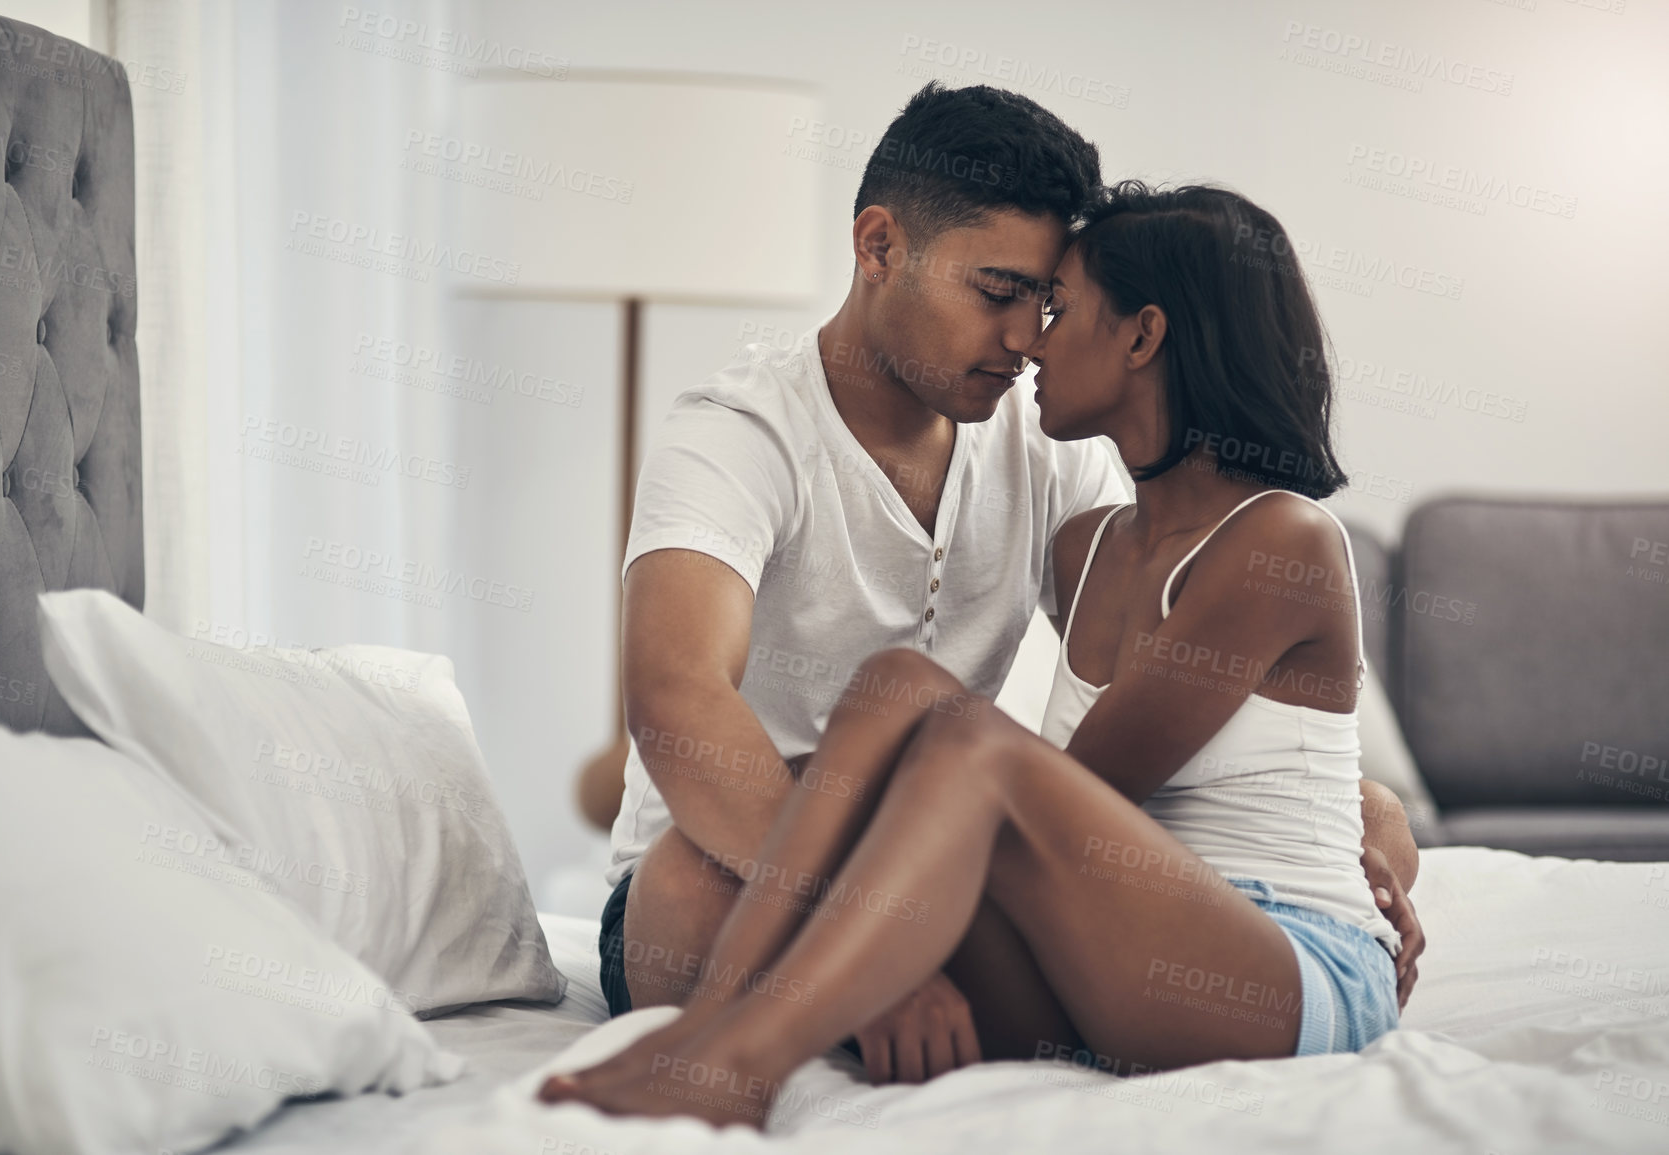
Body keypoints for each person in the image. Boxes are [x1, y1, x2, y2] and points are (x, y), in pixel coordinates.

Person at [596, 82, 1424, 1085]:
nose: (1027, 337)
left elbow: (1182, 694)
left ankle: (773, 1036)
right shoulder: (738, 434)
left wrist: (1361, 808)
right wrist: (861, 939)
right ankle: (764, 1026)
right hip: (743, 860)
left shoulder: (1050, 453)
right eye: (998, 295)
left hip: (943, 862)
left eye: (1048, 303)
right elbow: (675, 696)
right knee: (688, 884)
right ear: (878, 247)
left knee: (923, 712)